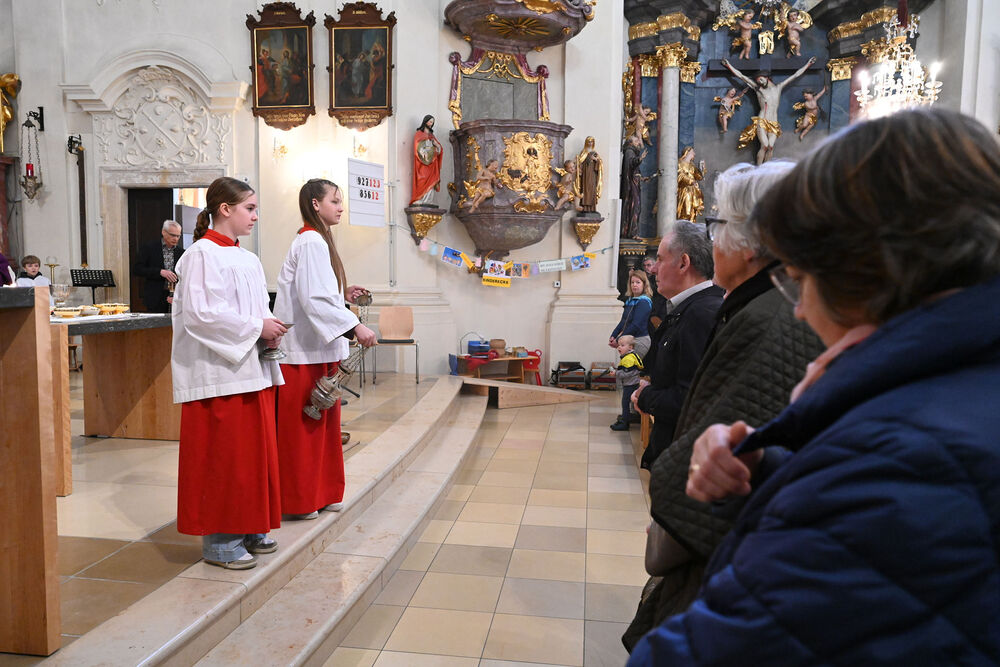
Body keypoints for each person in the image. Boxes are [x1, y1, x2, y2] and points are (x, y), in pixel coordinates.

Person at [629, 108, 1000, 665]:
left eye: (801, 279)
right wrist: (770, 468)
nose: (799, 309)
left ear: (863, 269)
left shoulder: (898, 463)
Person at [621, 162, 823, 651]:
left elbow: (728, 422)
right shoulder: (759, 304)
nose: (711, 244)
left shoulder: (768, 315)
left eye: (717, 226)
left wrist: (672, 488)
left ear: (751, 243)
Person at [171, 176, 287, 570]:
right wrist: (257, 328)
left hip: (250, 368)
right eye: (249, 208)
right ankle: (220, 540)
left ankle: (250, 524)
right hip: (218, 373)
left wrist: (270, 328)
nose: (255, 216)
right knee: (224, 458)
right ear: (225, 209)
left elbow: (257, 308)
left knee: (250, 457)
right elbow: (201, 316)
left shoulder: (247, 258)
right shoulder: (201, 255)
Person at [273, 179, 377, 521]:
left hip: (318, 350)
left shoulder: (318, 240)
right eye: (334, 201)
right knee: (303, 431)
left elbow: (316, 292)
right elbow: (313, 298)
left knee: (324, 430)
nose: (341, 207)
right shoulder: (310, 241)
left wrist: (341, 295)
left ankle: (324, 492)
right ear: (315, 204)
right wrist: (354, 325)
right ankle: (301, 500)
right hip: (303, 353)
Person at [633, 222, 723, 469]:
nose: (654, 269)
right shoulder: (692, 308)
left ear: (684, 263)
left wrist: (646, 397)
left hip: (684, 458)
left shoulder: (701, 314)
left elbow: (693, 399)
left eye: (660, 260)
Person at [722, 56, 816, 164]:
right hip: (762, 120)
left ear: (767, 78)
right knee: (765, 146)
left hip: (773, 122)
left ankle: (766, 169)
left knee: (771, 146)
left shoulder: (778, 88)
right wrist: (728, 65)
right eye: (758, 81)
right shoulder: (759, 90)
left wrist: (808, 64)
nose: (760, 82)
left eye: (761, 79)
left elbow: (795, 75)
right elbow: (742, 76)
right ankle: (758, 169)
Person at [134, 220, 184, 312]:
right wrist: (160, 272)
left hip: (176, 296)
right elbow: (137, 269)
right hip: (155, 296)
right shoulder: (149, 248)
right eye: (173, 235)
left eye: (178, 236)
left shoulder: (182, 252)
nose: (176, 239)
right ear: (163, 232)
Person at [610, 269, 653, 359]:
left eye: (638, 282)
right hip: (628, 339)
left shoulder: (644, 302)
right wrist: (613, 335)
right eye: (632, 282)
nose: (634, 285)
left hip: (639, 339)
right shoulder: (630, 301)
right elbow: (623, 321)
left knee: (630, 365)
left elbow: (636, 325)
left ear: (644, 284)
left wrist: (618, 340)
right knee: (626, 365)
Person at [611, 334, 644, 432]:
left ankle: (625, 423)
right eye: (619, 345)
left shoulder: (628, 358)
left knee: (625, 403)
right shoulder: (631, 356)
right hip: (634, 383)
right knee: (628, 403)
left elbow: (626, 373)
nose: (619, 347)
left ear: (630, 347)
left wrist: (616, 373)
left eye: (622, 345)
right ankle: (626, 418)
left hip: (630, 385)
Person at [411, 115, 443, 206]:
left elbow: (439, 148)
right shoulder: (419, 133)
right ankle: (420, 198)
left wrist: (437, 145)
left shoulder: (431, 135)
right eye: (430, 121)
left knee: (432, 180)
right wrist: (424, 153)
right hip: (422, 163)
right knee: (422, 179)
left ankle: (428, 200)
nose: (431, 124)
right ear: (425, 121)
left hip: (432, 163)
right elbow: (417, 147)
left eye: (432, 122)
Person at [675, 146, 705, 222]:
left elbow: (699, 177)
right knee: (686, 211)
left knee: (692, 213)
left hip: (693, 191)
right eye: (692, 152)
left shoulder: (692, 166)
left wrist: (702, 169)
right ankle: (683, 226)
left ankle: (691, 225)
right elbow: (680, 176)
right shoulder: (680, 163)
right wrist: (691, 181)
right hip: (684, 190)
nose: (694, 154)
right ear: (687, 153)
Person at [576, 136, 603, 213]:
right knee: (585, 189)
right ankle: (585, 208)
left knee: (592, 189)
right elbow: (580, 162)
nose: (590, 143)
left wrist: (596, 160)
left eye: (591, 142)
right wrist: (588, 159)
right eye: (589, 142)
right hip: (585, 174)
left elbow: (599, 163)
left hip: (593, 174)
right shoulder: (584, 152)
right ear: (586, 143)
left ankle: (592, 208)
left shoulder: (595, 152)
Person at [642, 255, 668, 335]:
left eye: (649, 265)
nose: (646, 268)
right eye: (644, 266)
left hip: (659, 308)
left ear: (655, 266)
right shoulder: (643, 278)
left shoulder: (659, 278)